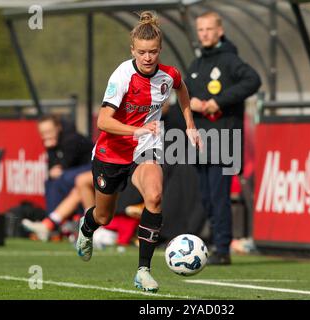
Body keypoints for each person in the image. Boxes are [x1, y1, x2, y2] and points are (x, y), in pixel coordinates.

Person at [75, 11, 202, 293]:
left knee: (155, 197)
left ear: (160, 50)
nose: (148, 57)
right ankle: (87, 226)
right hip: (113, 152)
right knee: (104, 217)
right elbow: (103, 121)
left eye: (153, 52)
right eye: (142, 52)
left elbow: (182, 90)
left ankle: (143, 270)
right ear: (133, 50)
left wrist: (191, 124)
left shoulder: (169, 75)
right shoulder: (122, 76)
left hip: (147, 149)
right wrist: (136, 130)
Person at [184, 11, 261, 265]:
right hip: (201, 143)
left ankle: (222, 249)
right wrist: (189, 102)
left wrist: (217, 102)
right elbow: (181, 93)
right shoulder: (196, 65)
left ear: (220, 31)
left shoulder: (229, 59)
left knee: (219, 195)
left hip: (224, 140)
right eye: (201, 30)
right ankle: (216, 242)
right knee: (206, 197)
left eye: (209, 29)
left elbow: (253, 81)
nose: (204, 33)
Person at [37, 115, 93, 213]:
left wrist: (52, 150)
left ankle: (56, 220)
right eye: (43, 133)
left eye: (49, 131)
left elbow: (64, 166)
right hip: (75, 170)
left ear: (58, 127)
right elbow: (52, 169)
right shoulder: (53, 141)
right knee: (49, 182)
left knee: (63, 178)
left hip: (92, 167)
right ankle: (51, 218)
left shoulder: (71, 138)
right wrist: (51, 149)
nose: (46, 136)